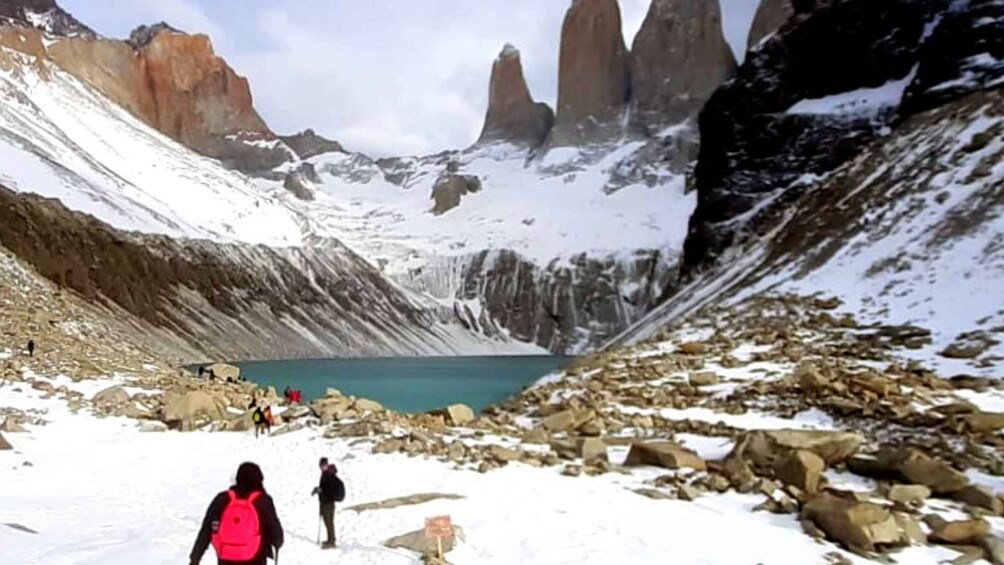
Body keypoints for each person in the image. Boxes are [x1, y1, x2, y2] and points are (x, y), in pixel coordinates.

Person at [190, 462, 283, 565]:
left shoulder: (222, 499)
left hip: (226, 557)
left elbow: (205, 531)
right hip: (256, 559)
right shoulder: (263, 501)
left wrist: (195, 559)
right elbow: (277, 536)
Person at [311, 457, 345, 549]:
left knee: (329, 522)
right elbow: (325, 488)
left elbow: (330, 491)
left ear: (327, 465)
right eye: (321, 466)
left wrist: (321, 491)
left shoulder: (330, 476)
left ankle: (332, 541)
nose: (322, 467)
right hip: (325, 502)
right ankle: (330, 540)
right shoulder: (325, 474)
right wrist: (318, 490)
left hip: (329, 503)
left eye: (324, 465)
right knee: (327, 522)